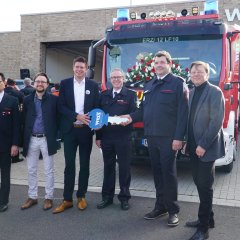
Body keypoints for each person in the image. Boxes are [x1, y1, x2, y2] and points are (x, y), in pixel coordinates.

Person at [122, 51, 188, 226]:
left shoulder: (177, 83)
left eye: (162, 62)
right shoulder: (149, 85)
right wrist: (130, 117)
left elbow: (183, 114)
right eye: (156, 62)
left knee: (169, 173)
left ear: (169, 64)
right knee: (157, 173)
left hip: (168, 138)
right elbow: (143, 110)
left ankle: (173, 210)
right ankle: (160, 207)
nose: (158, 65)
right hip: (151, 136)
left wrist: (179, 138)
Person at [53, 56, 99, 214]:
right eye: (77, 67)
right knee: (69, 166)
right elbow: (61, 107)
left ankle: (81, 196)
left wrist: (94, 125)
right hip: (70, 130)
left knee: (85, 165)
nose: (79, 70)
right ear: (73, 68)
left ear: (86, 69)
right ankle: (67, 199)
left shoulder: (93, 85)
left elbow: (97, 107)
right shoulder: (65, 83)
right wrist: (76, 116)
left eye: (82, 67)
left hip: (86, 131)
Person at [185, 61, 225, 240]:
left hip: (205, 148)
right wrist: (188, 142)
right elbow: (190, 120)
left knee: (205, 186)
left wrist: (202, 145)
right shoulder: (192, 92)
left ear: (207, 74)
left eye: (200, 72)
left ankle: (203, 229)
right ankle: (208, 218)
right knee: (199, 183)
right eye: (193, 72)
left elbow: (216, 121)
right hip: (193, 147)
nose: (196, 74)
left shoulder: (215, 92)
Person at [95, 68, 137, 211]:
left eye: (119, 77)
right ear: (110, 80)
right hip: (107, 137)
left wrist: (129, 118)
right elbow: (99, 117)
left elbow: (135, 112)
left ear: (123, 79)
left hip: (124, 136)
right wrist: (98, 137)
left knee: (124, 168)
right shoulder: (104, 95)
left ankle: (124, 198)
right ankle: (107, 197)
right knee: (108, 167)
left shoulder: (130, 95)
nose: (116, 80)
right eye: (113, 78)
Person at [20, 72, 59, 211]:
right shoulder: (27, 99)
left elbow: (58, 119)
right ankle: (32, 197)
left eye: (43, 81)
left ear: (47, 84)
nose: (40, 84)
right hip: (31, 139)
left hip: (46, 139)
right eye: (38, 81)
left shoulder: (54, 100)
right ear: (34, 83)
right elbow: (23, 120)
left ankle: (48, 197)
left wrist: (57, 136)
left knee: (49, 170)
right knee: (31, 169)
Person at [0, 72, 20, 212]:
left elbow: (16, 125)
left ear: (4, 82)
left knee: (5, 174)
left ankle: (3, 201)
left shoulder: (12, 100)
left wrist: (15, 144)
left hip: (5, 145)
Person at [4, 78, 24, 164]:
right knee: (15, 133)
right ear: (14, 84)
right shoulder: (17, 93)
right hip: (16, 115)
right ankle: (15, 157)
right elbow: (23, 101)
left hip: (4, 116)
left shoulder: (2, 92)